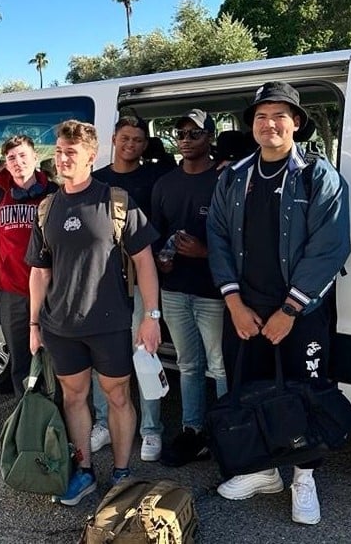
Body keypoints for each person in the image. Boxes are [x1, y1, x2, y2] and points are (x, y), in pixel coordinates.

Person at [207, 81, 350, 525]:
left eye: (279, 116)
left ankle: (304, 479)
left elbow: (329, 247)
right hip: (246, 310)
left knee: (306, 392)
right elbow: (218, 237)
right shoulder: (234, 176)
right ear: (251, 124)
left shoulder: (317, 175)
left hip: (300, 313)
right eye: (261, 116)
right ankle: (263, 471)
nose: (269, 124)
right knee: (250, 388)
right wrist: (234, 302)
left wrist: (289, 311)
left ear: (296, 123)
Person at [26, 120, 162, 506]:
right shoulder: (47, 207)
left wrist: (151, 317)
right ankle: (84, 471)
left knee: (117, 396)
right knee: (74, 398)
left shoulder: (115, 201)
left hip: (110, 323)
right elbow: (39, 272)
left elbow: (145, 262)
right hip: (60, 325)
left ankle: (121, 472)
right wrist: (34, 323)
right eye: (58, 151)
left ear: (91, 155)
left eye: (71, 152)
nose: (62, 158)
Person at [151, 109, 227, 468]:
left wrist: (205, 252)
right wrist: (162, 261)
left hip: (216, 292)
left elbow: (240, 239)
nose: (185, 139)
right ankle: (192, 430)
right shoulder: (165, 184)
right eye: (180, 133)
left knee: (221, 366)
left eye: (195, 133)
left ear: (210, 137)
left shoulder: (225, 179)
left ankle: (227, 433)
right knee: (188, 364)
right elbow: (156, 233)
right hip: (175, 289)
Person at [89, 115, 168, 462]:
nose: (130, 145)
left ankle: (151, 429)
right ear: (114, 139)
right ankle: (103, 423)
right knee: (101, 358)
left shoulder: (155, 179)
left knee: (144, 353)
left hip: (139, 280)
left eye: (137, 140)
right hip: (103, 284)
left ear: (145, 144)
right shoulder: (97, 181)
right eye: (125, 138)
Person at [0, 135, 56, 398]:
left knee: (57, 358)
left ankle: (57, 415)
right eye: (11, 158)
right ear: (6, 163)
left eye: (23, 156)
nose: (18, 162)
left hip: (51, 288)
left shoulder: (53, 192)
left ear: (35, 157)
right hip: (12, 290)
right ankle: (27, 413)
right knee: (20, 361)